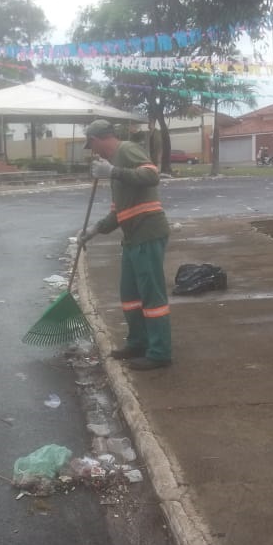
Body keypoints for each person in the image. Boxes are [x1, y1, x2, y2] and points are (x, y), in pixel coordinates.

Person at [78, 119, 171, 370]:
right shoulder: (113, 165)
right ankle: (138, 342)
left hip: (148, 232)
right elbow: (118, 212)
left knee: (152, 295)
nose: (94, 152)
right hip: (132, 237)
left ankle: (160, 352)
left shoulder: (126, 150)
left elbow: (152, 175)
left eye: (92, 146)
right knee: (130, 295)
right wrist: (93, 231)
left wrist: (113, 172)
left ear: (98, 139)